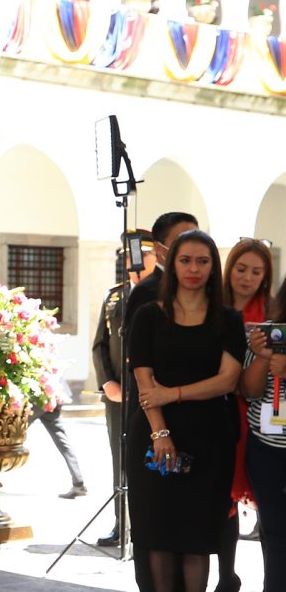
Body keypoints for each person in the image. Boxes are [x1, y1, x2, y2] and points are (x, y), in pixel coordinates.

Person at [128, 229, 245, 592]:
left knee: (197, 539)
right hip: (153, 432)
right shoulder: (149, 315)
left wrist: (172, 393)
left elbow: (227, 381)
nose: (194, 268)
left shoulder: (228, 319)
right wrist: (161, 434)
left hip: (209, 435)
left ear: (213, 267)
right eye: (186, 260)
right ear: (172, 264)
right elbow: (145, 383)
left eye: (203, 261)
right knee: (159, 535)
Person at [91, 229, 157, 546]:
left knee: (147, 460)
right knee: (120, 461)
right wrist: (108, 383)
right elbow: (99, 346)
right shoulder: (114, 296)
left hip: (152, 395)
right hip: (118, 396)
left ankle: (148, 524)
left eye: (141, 255)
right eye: (131, 256)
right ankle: (122, 525)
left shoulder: (162, 294)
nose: (134, 262)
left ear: (155, 257)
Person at [218, 236, 274, 590]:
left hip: (257, 416)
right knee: (222, 497)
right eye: (241, 269)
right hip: (215, 411)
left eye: (256, 271)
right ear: (229, 270)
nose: (247, 277)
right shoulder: (211, 308)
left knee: (262, 500)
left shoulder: (271, 314)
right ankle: (227, 574)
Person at [239, 276, 286, 592]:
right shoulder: (269, 332)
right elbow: (249, 390)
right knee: (275, 534)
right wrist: (264, 358)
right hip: (268, 451)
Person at [31, 369, 87, 499]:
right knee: (61, 439)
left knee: (12, 435)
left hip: (38, 395)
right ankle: (78, 483)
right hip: (55, 393)